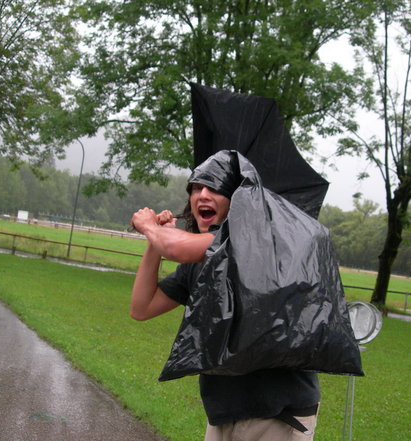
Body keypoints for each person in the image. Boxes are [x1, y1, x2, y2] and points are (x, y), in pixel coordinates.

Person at [130, 155, 320, 441]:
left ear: (240, 200)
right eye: (195, 187)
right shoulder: (198, 262)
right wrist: (154, 244)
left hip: (278, 411)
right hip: (224, 410)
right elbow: (141, 307)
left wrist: (151, 228)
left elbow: (177, 248)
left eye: (215, 187)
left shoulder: (258, 241)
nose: (202, 194)